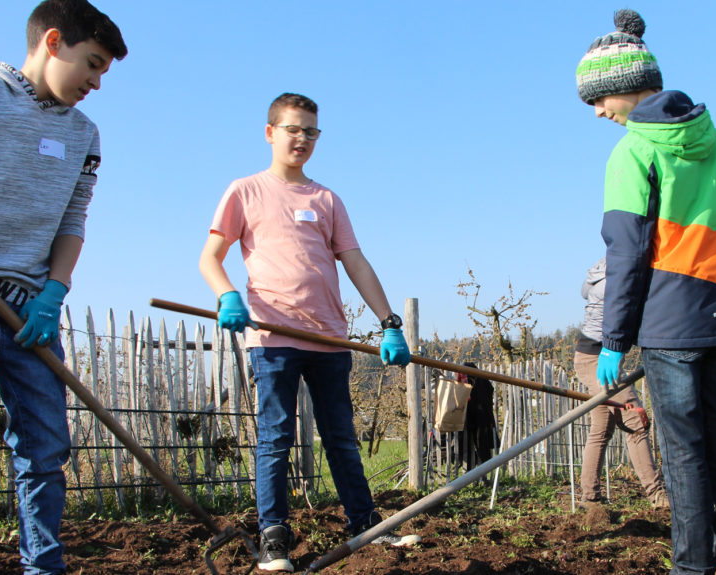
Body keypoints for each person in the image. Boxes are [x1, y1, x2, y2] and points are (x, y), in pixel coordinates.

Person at [575, 9, 716, 575]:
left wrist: (614, 339)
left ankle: (692, 566)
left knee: (684, 447)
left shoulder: (634, 152)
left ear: (621, 90)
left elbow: (628, 253)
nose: (597, 113)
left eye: (597, 100)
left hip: (670, 323)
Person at [0, 1, 127, 573]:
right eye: (91, 65)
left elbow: (72, 220)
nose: (95, 82)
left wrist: (54, 292)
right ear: (54, 41)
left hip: (28, 308)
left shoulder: (84, 134)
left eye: (102, 73)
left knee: (45, 447)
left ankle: (43, 564)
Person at [198, 92, 420, 573]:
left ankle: (367, 524)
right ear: (270, 132)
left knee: (340, 437)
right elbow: (209, 258)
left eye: (311, 132)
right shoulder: (245, 191)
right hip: (273, 338)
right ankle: (274, 536)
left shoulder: (326, 198)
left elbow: (355, 262)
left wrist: (389, 323)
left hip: (329, 339)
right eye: (293, 129)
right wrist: (227, 295)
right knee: (276, 436)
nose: (302, 139)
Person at [575, 258, 667, 509]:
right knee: (635, 420)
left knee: (602, 428)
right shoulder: (617, 279)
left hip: (594, 355)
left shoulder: (601, 269)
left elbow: (586, 293)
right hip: (597, 359)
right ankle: (658, 496)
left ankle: (590, 498)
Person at [456, 362, 496, 471]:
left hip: (478, 420)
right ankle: (478, 472)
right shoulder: (484, 382)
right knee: (475, 446)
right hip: (479, 420)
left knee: (476, 446)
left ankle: (476, 472)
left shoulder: (479, 382)